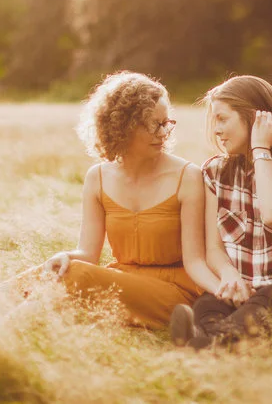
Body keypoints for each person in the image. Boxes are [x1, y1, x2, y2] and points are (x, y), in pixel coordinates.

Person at [41, 71, 219, 329]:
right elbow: (87, 253)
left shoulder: (187, 176)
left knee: (75, 274)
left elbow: (195, 261)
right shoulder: (98, 177)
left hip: (176, 291)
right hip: (122, 280)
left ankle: (11, 328)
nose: (164, 133)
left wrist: (224, 291)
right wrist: (64, 255)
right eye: (154, 124)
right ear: (124, 126)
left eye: (166, 123)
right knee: (54, 269)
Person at [170, 75, 272, 348]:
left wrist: (260, 148)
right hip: (242, 287)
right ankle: (212, 343)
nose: (216, 130)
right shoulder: (215, 172)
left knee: (267, 304)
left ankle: (199, 345)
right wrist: (231, 276)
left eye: (222, 119)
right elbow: (214, 249)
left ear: (257, 118)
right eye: (214, 121)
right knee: (207, 305)